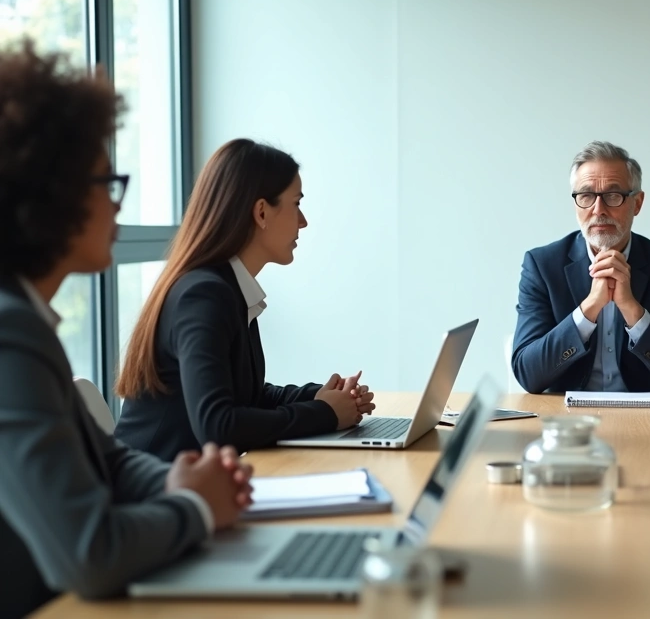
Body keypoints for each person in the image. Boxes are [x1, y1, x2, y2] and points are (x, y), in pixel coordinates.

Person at [0, 41, 253, 618]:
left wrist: (180, 480)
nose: (118, 205)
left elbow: (106, 458)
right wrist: (196, 507)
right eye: (106, 183)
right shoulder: (10, 335)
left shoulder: (23, 320)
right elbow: (90, 554)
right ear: (52, 195)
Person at [113, 139, 374, 461]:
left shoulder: (226, 287)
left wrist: (321, 397)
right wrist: (325, 413)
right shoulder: (204, 295)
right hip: (154, 486)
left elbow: (246, 397)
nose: (303, 221)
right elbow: (218, 426)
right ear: (261, 212)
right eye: (296, 204)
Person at [512, 141, 650, 394]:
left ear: (637, 203)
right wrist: (589, 308)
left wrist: (632, 310)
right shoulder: (542, 266)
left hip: (646, 415)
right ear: (575, 203)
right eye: (586, 196)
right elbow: (528, 374)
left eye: (613, 196)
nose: (598, 210)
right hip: (566, 415)